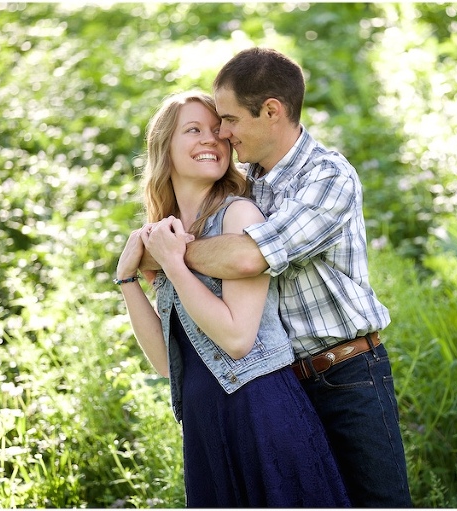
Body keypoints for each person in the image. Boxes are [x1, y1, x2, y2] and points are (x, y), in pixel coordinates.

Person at [141, 48, 412, 507]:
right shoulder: (250, 181)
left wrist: (169, 251)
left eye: (227, 119)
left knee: (377, 502)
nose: (221, 133)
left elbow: (250, 257)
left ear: (271, 111)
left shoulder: (327, 177)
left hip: (346, 375)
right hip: (282, 382)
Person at [116, 90, 350, 507]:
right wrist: (127, 279)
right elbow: (165, 363)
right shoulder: (166, 233)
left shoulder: (238, 216)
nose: (212, 139)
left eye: (217, 131)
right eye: (193, 130)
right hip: (205, 421)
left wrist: (174, 265)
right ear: (163, 147)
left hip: (259, 412)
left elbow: (238, 338)